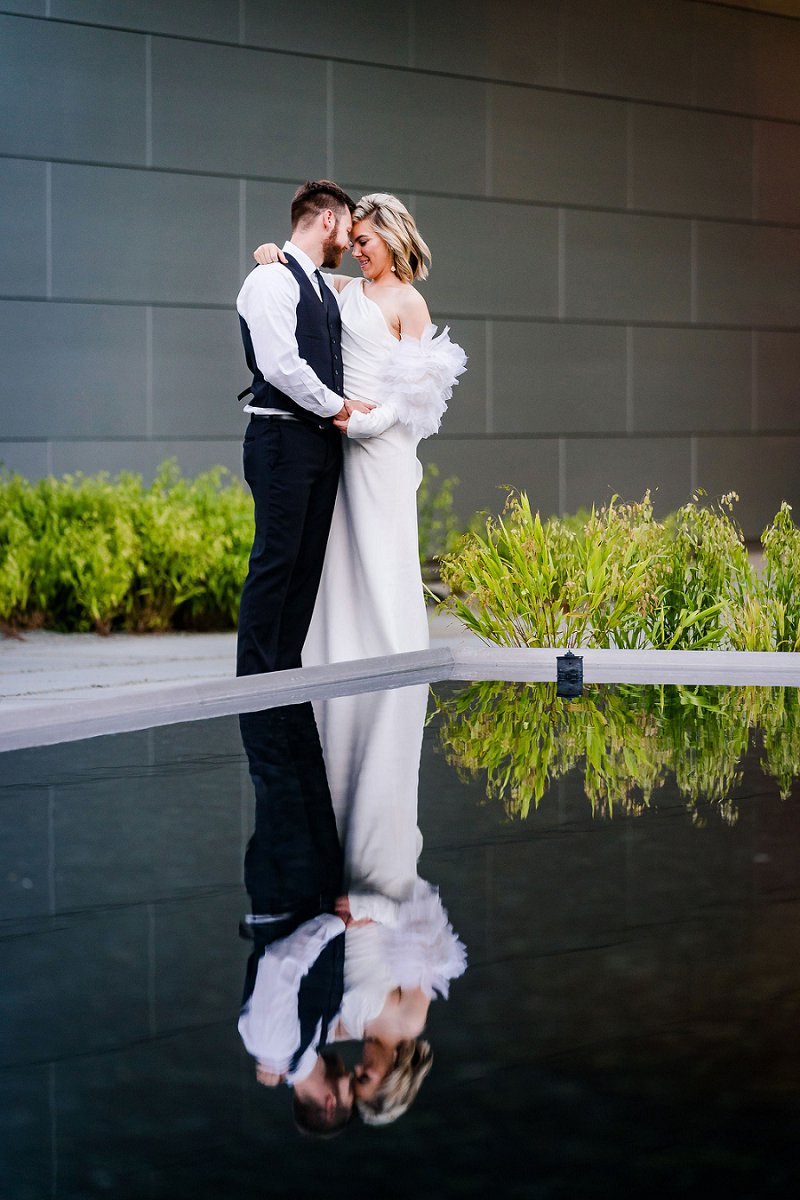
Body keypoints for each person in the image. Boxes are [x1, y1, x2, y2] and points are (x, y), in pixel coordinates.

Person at [253, 192, 467, 665]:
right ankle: (341, 665)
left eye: (364, 241)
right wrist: (272, 254)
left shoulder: (411, 303)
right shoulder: (347, 289)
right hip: (340, 441)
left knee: (382, 554)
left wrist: (369, 423)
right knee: (338, 560)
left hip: (380, 444)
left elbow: (415, 392)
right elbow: (302, 273)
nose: (356, 250)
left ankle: (394, 659)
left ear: (392, 239)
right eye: (352, 243)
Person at [235, 179, 374, 676]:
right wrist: (338, 406)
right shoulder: (271, 279)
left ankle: (283, 680)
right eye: (348, 232)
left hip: (319, 447)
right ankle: (254, 685)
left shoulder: (318, 282)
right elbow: (280, 366)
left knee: (304, 571)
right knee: (275, 563)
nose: (350, 244)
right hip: (281, 441)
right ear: (329, 220)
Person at [315, 684, 467, 1125]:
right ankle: (390, 683)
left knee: (340, 771)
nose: (356, 1071)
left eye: (354, 1078)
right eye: (366, 1078)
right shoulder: (407, 1022)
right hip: (382, 872)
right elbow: (425, 930)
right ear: (391, 1079)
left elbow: (300, 1041)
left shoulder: (350, 1029)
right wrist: (367, 909)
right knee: (381, 777)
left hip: (342, 877)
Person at [237, 703, 353, 1136]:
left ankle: (259, 672)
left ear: (328, 1104)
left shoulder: (274, 1047)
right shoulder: (312, 1039)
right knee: (303, 760)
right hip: (310, 880)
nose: (351, 1082)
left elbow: (280, 965)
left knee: (275, 767)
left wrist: (337, 925)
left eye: (349, 1095)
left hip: (285, 882)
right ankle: (285, 672)